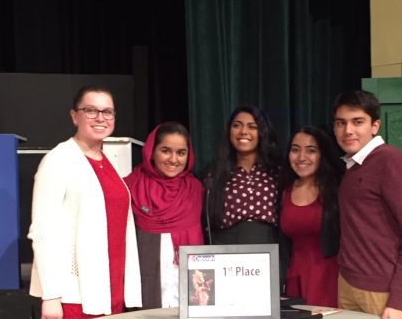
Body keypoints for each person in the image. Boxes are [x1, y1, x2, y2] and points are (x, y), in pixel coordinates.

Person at [28, 85, 141, 319]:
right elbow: (42, 232)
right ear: (74, 116)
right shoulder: (59, 160)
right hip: (73, 298)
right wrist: (50, 295)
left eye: (107, 112)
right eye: (91, 110)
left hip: (111, 292)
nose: (100, 118)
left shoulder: (107, 162)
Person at [332, 90, 402, 319]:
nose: (348, 130)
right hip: (348, 285)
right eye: (341, 123)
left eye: (358, 122)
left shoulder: (392, 162)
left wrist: (398, 301)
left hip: (382, 293)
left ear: (375, 126)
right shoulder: (352, 166)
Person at [124, 122, 204, 308]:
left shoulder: (196, 190)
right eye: (166, 151)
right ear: (152, 151)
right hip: (144, 286)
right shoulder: (130, 188)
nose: (174, 159)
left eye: (181, 153)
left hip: (188, 287)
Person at [279, 126, 343, 306]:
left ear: (322, 155)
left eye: (311, 151)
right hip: (294, 277)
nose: (301, 157)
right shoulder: (284, 190)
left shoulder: (336, 190)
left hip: (331, 278)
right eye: (295, 150)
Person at [205, 105, 282, 244]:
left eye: (252, 127)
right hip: (227, 251)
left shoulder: (276, 171)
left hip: (269, 250)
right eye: (237, 126)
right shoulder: (214, 173)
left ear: (262, 132)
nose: (243, 132)